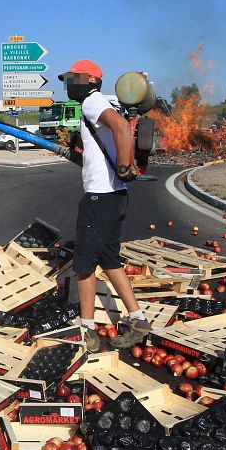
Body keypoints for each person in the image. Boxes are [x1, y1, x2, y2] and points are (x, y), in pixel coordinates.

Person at [58, 60, 151, 352]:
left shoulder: (91, 103)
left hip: (99, 197)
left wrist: (124, 165)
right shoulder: (104, 103)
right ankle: (138, 320)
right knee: (110, 259)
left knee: (84, 264)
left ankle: (86, 330)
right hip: (116, 195)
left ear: (86, 79)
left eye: (71, 79)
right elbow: (109, 138)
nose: (68, 84)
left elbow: (122, 128)